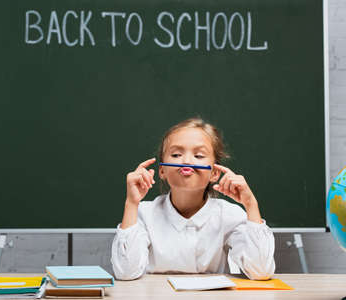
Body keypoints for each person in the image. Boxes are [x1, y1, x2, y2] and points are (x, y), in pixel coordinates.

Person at [111, 117, 275, 280]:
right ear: (162, 171)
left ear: (215, 173)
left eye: (198, 155)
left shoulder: (229, 214)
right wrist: (131, 204)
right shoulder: (144, 213)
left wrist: (251, 205)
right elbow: (126, 273)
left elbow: (260, 272)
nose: (187, 161)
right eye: (176, 154)